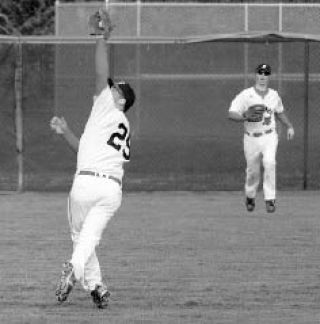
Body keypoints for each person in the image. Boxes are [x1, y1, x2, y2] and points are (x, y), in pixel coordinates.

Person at [51, 9, 135, 308]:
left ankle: (72, 271)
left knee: (81, 237)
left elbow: (100, 73)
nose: (107, 88)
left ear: (121, 100)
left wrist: (100, 37)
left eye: (113, 89)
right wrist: (66, 132)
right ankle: (97, 287)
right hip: (110, 189)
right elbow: (86, 153)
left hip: (85, 186)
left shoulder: (108, 108)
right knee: (87, 239)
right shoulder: (118, 124)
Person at [228, 63, 294, 213]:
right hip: (251, 138)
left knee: (269, 162)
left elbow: (279, 112)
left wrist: (289, 126)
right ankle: (250, 196)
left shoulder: (274, 95)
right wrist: (244, 116)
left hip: (269, 136)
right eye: (260, 73)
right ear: (256, 75)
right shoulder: (246, 95)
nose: (263, 76)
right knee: (253, 171)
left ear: (269, 76)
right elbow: (231, 113)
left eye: (266, 74)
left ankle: (270, 199)